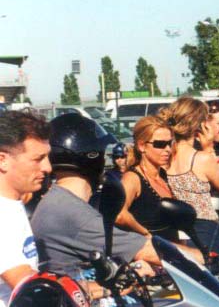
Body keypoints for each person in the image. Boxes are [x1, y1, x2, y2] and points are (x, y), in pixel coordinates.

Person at [31, 114, 159, 279]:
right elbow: (148, 251)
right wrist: (194, 256)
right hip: (81, 294)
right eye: (101, 153)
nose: (105, 161)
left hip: (82, 290)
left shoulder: (59, 201)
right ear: (91, 156)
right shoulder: (70, 211)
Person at [159, 96, 219, 252]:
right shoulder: (202, 158)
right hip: (204, 229)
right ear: (199, 126)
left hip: (174, 230)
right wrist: (209, 148)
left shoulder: (164, 158)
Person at [0, 111, 51, 307]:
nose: (47, 168)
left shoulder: (12, 203)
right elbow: (31, 287)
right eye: (38, 159)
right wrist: (95, 289)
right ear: (3, 160)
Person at [116, 116, 179, 239]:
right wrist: (145, 233)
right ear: (142, 146)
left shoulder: (162, 175)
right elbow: (119, 214)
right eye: (160, 144)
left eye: (169, 143)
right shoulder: (132, 178)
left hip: (171, 246)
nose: (168, 149)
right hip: (149, 248)